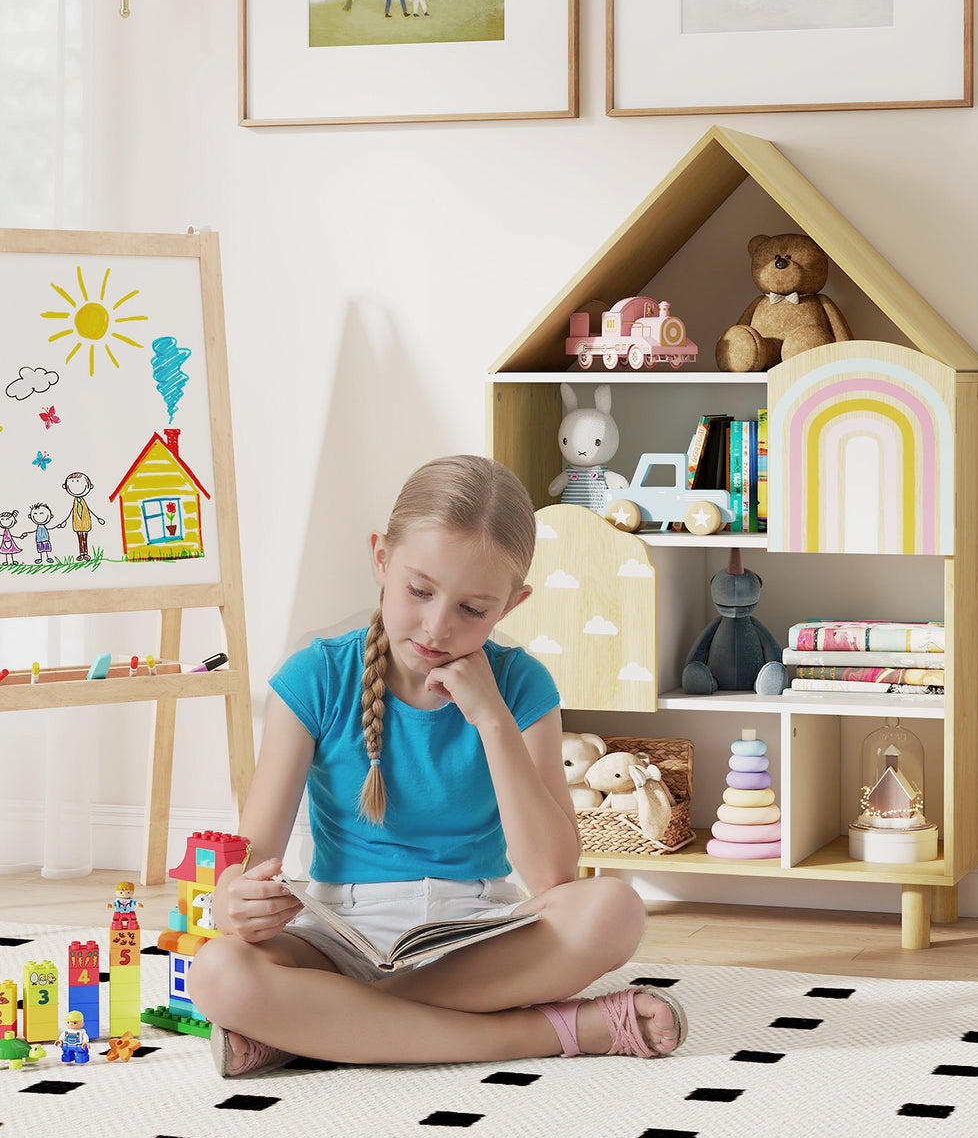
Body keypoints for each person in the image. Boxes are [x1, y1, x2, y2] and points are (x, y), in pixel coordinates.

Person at [188, 454, 686, 1078]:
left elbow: (554, 875)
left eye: (472, 610)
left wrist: (494, 722)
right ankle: (548, 1032)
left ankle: (318, 1030)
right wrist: (235, 896)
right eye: (419, 591)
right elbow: (247, 854)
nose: (436, 626)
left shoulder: (521, 685)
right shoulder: (314, 677)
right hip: (338, 936)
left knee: (614, 909)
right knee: (217, 972)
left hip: (477, 939)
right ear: (381, 558)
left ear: (511, 604)